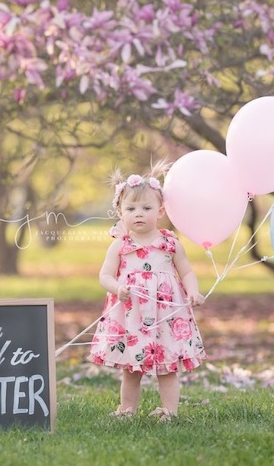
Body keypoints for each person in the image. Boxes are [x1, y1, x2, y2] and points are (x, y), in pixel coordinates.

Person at [88, 164, 207, 421]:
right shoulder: (120, 246)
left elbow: (186, 272)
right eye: (130, 209)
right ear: (120, 212)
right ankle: (127, 410)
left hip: (165, 314)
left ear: (161, 211)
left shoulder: (170, 244)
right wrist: (117, 288)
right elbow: (104, 275)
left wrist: (194, 292)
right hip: (132, 315)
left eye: (146, 208)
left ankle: (170, 411)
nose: (138, 214)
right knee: (132, 369)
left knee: (167, 368)